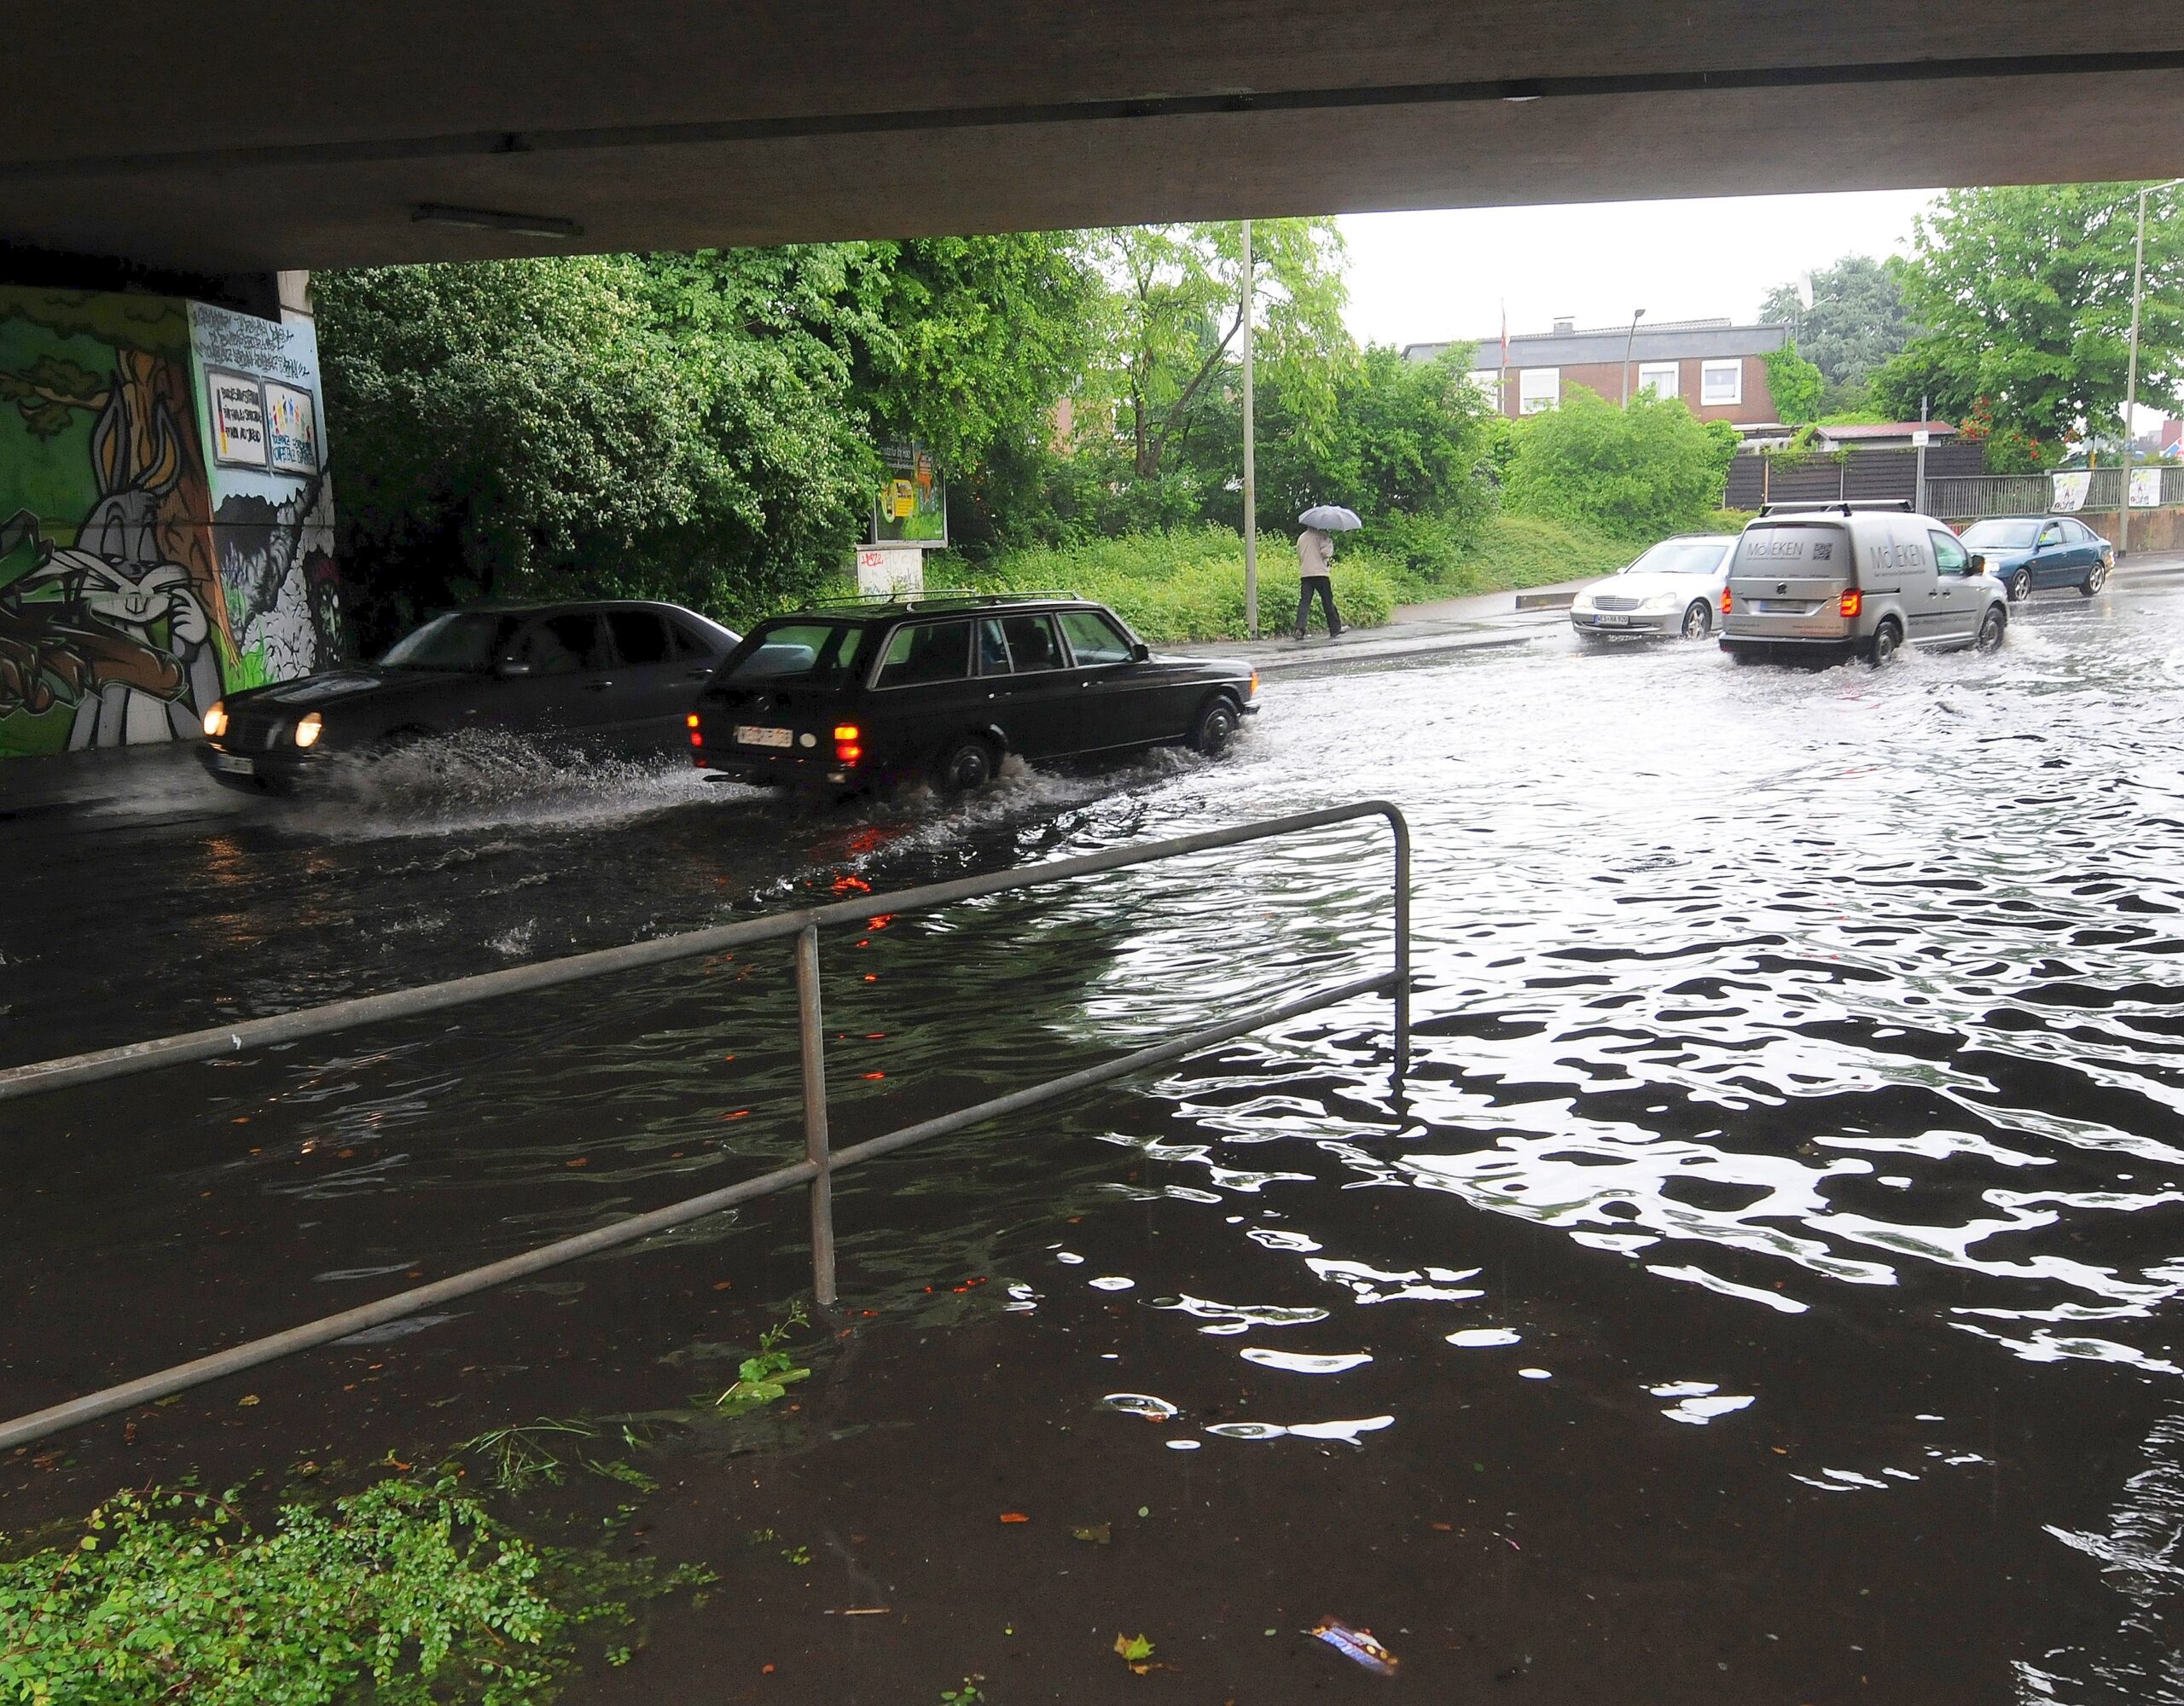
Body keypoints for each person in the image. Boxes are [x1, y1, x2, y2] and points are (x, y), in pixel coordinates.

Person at [1294, 525, 1343, 641]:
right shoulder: (1322, 536)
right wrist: (1329, 542)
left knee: (1304, 602)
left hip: (1306, 574)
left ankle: (1299, 628)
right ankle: (1335, 628)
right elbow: (1326, 553)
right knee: (1327, 601)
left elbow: (1300, 554)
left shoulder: (1302, 538)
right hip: (1320, 573)